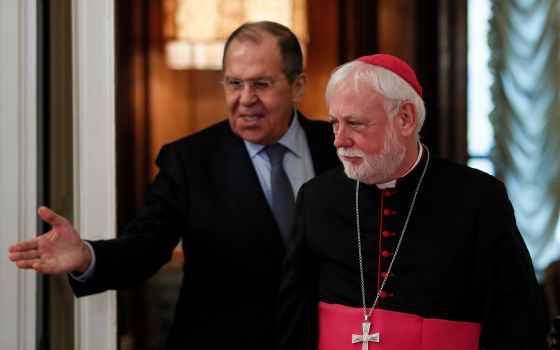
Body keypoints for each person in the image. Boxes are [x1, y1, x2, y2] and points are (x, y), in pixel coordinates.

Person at [8, 21, 340, 349]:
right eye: (234, 82)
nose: (245, 98)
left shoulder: (339, 150)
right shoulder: (189, 160)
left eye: (262, 84)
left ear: (298, 86)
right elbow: (147, 244)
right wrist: (87, 256)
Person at [276, 54, 548, 350]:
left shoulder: (478, 199)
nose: (339, 141)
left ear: (405, 118)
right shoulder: (317, 197)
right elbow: (295, 317)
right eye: (334, 124)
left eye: (354, 124)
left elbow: (516, 322)